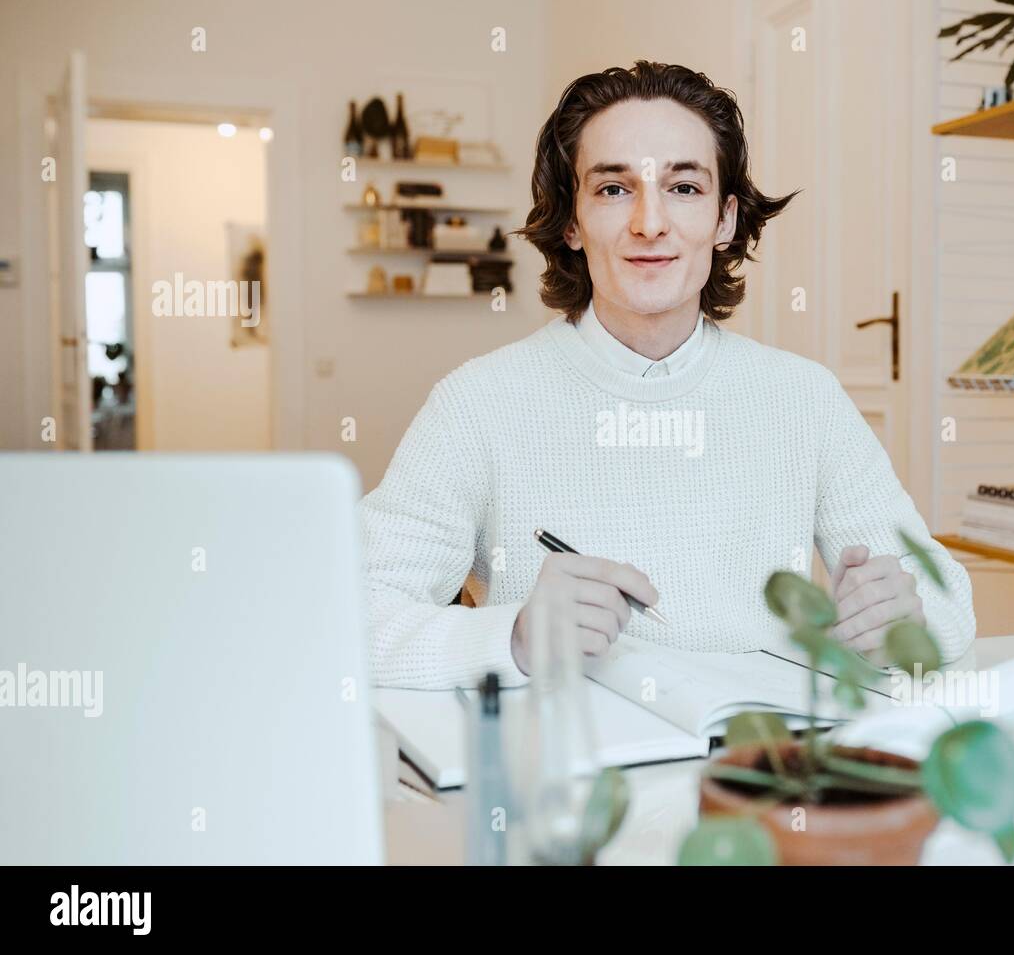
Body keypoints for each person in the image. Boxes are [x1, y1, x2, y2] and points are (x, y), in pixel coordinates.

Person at [360, 61, 974, 689]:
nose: (649, 223)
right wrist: (512, 638)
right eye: (613, 189)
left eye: (684, 188)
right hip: (571, 770)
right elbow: (351, 615)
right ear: (571, 222)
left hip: (760, 769)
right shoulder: (476, 403)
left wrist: (905, 617)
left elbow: (946, 598)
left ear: (725, 220)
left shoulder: (805, 398)